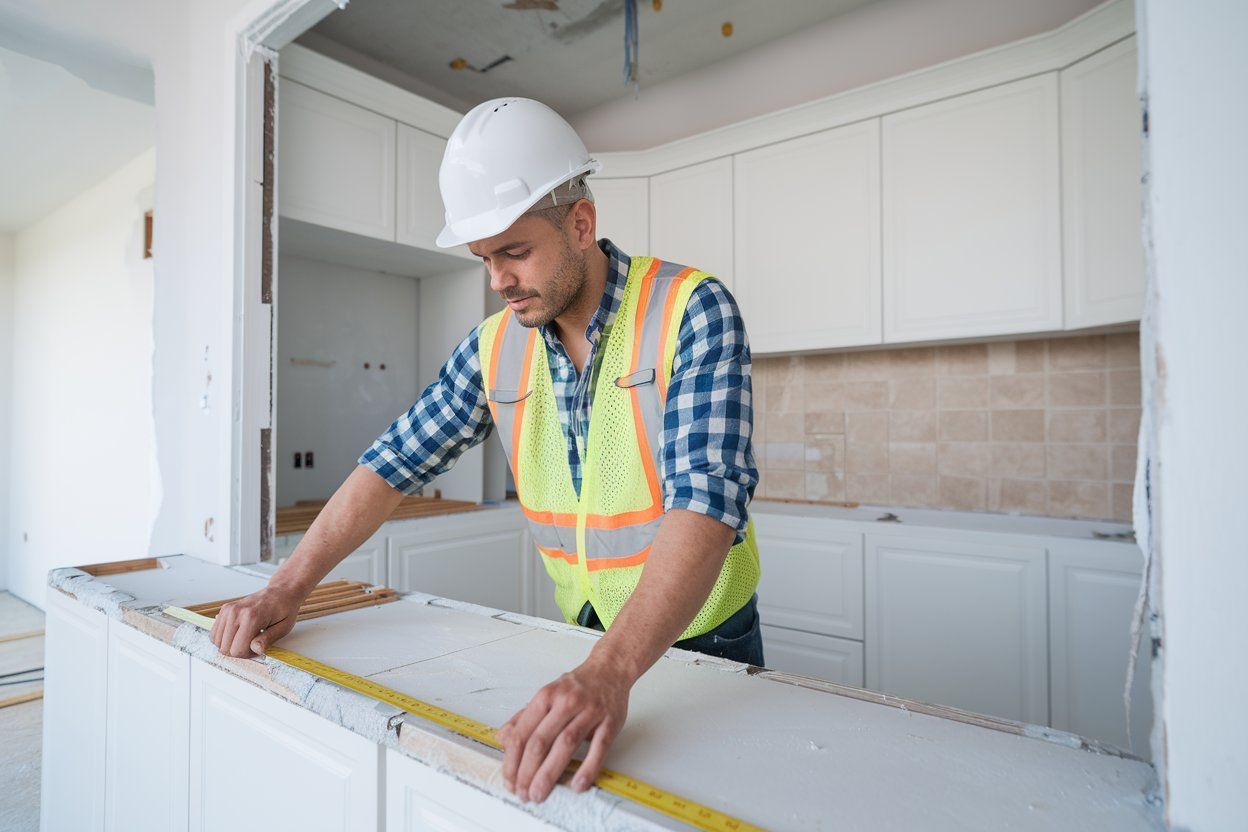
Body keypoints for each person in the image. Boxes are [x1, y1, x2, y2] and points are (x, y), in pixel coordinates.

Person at [209, 97, 762, 805]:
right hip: (587, 640)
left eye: (514, 251)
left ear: (581, 224)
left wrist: (611, 672)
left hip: (703, 642)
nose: (497, 280)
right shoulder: (494, 347)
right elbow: (392, 464)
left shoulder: (691, 308)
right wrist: (286, 588)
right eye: (483, 259)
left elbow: (708, 502)